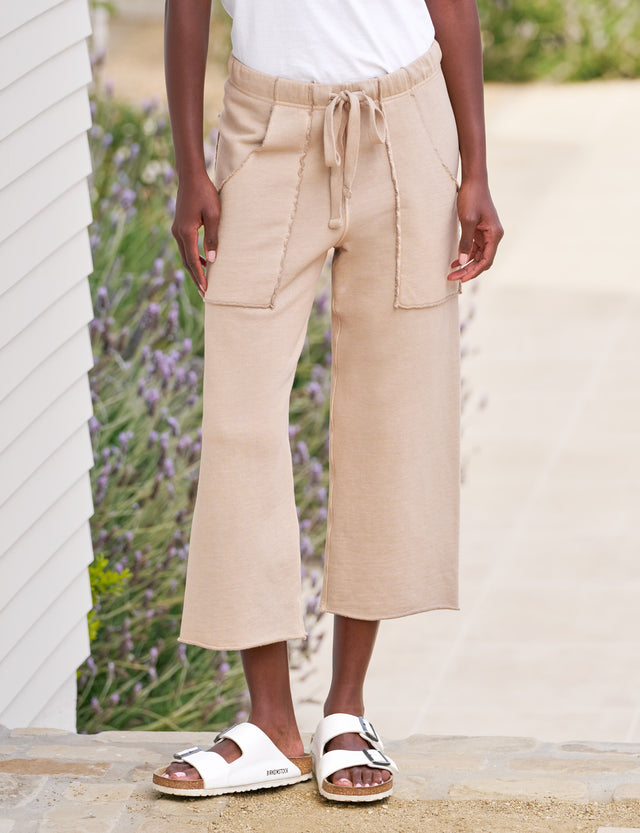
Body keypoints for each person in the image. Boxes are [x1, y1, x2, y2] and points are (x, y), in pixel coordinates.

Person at [152, 0, 503, 804]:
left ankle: (346, 708)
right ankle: (271, 722)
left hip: (406, 125)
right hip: (264, 130)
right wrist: (188, 167)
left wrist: (476, 168)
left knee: (391, 416)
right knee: (238, 422)